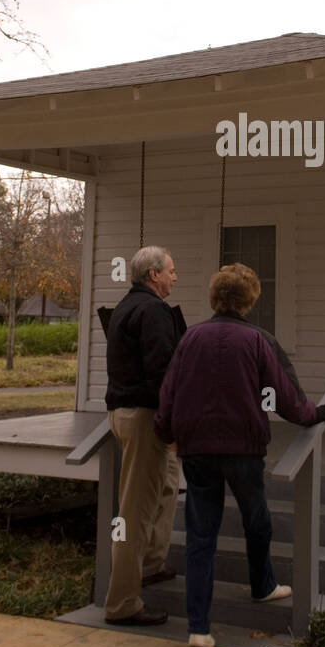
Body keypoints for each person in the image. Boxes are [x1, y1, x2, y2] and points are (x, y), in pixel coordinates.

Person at [154, 263, 325, 647]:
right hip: (243, 448)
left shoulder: (191, 339)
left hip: (197, 448)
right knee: (257, 519)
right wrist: (313, 414)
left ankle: (198, 627)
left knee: (201, 534)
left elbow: (168, 392)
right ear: (250, 299)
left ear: (214, 296)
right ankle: (262, 584)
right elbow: (285, 395)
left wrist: (166, 432)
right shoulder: (258, 341)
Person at [104, 245, 186, 626]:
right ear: (153, 275)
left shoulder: (125, 306)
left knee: (168, 485)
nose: (174, 277)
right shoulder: (153, 311)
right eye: (170, 271)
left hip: (126, 414)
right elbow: (162, 372)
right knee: (135, 511)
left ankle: (151, 564)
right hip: (144, 417)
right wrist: (174, 423)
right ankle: (122, 603)